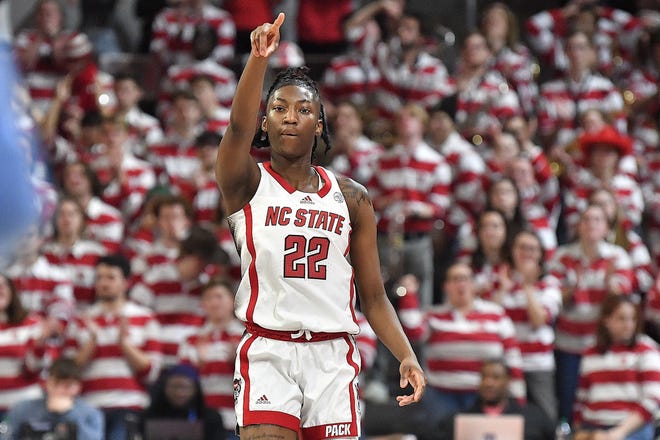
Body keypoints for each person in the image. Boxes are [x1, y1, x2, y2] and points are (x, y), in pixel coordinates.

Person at [214, 13, 425, 439]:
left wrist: (406, 354)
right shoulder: (247, 183)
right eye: (279, 108)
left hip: (332, 356)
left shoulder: (352, 197)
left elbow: (373, 295)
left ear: (320, 123)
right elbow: (237, 128)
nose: (290, 117)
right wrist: (258, 60)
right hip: (269, 350)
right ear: (266, 122)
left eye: (303, 109)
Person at [64, 254, 162, 440]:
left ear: (126, 283)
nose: (103, 283)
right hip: (88, 405)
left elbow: (151, 373)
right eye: (99, 278)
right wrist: (92, 342)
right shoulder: (81, 320)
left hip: (129, 404)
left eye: (110, 277)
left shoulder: (145, 318)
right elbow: (69, 371)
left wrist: (124, 344)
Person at [573, 295, 660, 440]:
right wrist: (578, 429)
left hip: (632, 427)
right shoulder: (591, 353)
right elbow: (582, 398)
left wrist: (620, 432)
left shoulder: (646, 350)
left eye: (632, 319)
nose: (629, 325)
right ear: (606, 320)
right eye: (622, 319)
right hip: (594, 427)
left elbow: (653, 399)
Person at [177, 278, 244, 438]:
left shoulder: (245, 337)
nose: (214, 303)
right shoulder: (191, 339)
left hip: (235, 421)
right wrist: (197, 366)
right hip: (200, 423)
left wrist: (237, 363)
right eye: (208, 298)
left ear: (232, 301)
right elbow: (179, 383)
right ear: (203, 304)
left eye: (219, 297)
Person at [437, 359, 555, 440]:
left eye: (496, 377)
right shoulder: (459, 419)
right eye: (484, 377)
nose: (489, 383)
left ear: (508, 381)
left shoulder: (532, 417)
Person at [5, 356, 104, 440]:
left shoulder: (90, 414)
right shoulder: (23, 408)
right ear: (47, 383)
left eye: (67, 386)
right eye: (56, 384)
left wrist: (68, 414)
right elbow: (5, 435)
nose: (60, 390)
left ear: (78, 387)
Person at [142, 364, 225, 440]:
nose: (179, 392)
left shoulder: (210, 417)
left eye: (185, 387)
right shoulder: (151, 415)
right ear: (165, 388)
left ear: (195, 389)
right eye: (174, 387)